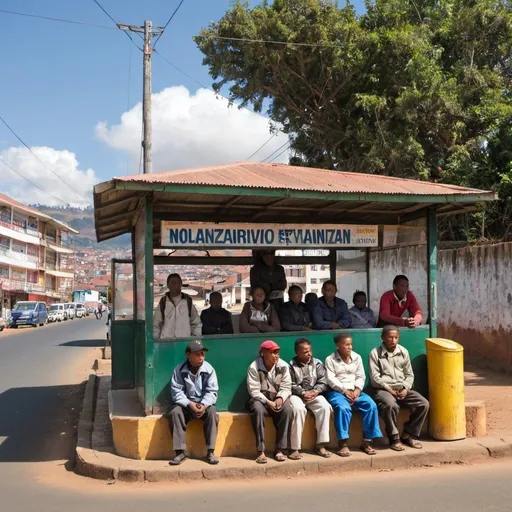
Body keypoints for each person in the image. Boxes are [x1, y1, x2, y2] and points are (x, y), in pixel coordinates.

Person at [368, 325, 430, 451]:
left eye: (396, 337)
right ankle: (394, 438)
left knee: (423, 404)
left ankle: (409, 434)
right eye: (390, 337)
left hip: (402, 388)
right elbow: (375, 378)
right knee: (391, 405)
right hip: (383, 389)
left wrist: (406, 389)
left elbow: (409, 374)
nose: (393, 340)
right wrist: (390, 390)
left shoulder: (403, 352)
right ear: (383, 337)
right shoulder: (375, 353)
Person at [324, 334, 382, 456]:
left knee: (370, 405)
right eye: (346, 345)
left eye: (351, 344)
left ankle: (367, 441)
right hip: (338, 392)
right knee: (343, 408)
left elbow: (361, 376)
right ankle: (343, 443)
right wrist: (344, 391)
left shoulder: (357, 357)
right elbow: (331, 380)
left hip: (355, 391)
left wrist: (357, 390)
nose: (350, 347)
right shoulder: (330, 360)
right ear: (338, 345)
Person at [167, 340, 219, 466]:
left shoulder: (209, 369)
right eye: (197, 354)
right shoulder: (179, 370)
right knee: (175, 412)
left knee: (212, 412)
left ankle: (210, 452)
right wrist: (190, 404)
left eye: (202, 354)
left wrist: (203, 405)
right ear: (188, 355)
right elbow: (177, 393)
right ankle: (180, 452)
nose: (201, 357)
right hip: (187, 406)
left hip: (203, 405)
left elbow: (212, 392)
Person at [247, 340, 293, 464]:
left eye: (277, 352)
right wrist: (268, 402)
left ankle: (279, 449)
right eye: (272, 352)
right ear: (263, 353)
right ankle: (260, 451)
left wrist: (280, 398)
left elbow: (286, 386)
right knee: (257, 410)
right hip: (261, 400)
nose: (276, 355)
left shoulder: (283, 366)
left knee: (287, 409)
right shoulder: (254, 367)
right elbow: (254, 391)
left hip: (277, 398)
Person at [289, 338, 332, 459]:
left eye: (310, 351)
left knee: (324, 407)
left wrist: (315, 391)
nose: (309, 354)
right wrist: (302, 393)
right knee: (298, 410)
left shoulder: (317, 363)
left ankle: (321, 445)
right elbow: (290, 384)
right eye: (305, 352)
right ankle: (295, 448)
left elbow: (323, 381)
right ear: (297, 353)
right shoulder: (291, 365)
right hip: (297, 395)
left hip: (314, 394)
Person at [153, 273, 202, 339]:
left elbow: (196, 323)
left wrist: (195, 339)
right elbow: (156, 324)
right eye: (172, 283)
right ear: (168, 285)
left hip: (184, 343)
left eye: (176, 283)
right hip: (166, 343)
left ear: (180, 284)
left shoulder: (187, 301)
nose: (174, 286)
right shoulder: (163, 302)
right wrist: (157, 343)